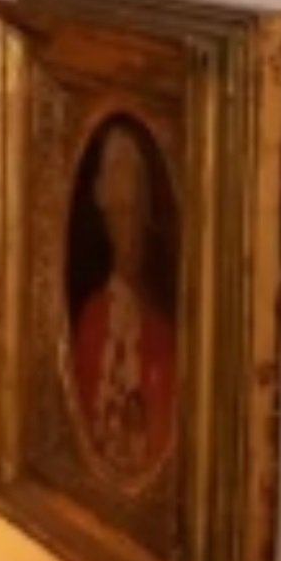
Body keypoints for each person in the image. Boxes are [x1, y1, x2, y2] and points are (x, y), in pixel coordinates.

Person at [67, 120, 180, 475]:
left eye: (133, 210)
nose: (127, 227)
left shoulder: (163, 336)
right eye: (119, 211)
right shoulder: (91, 318)